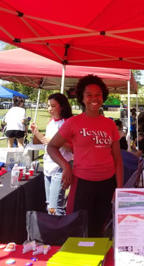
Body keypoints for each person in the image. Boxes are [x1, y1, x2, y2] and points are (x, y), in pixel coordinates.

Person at [47, 75, 123, 237]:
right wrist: (66, 166)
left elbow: (117, 159)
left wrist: (119, 188)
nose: (94, 98)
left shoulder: (110, 124)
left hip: (107, 184)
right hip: (82, 184)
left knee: (98, 229)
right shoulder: (74, 122)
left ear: (103, 97)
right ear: (82, 97)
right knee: (76, 227)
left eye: (98, 94)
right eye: (89, 94)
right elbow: (52, 147)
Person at [30, 93, 73, 215]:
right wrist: (36, 133)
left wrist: (56, 142)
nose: (50, 109)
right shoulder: (51, 122)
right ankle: (55, 231)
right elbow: (47, 143)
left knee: (55, 207)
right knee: (50, 206)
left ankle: (60, 232)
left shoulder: (68, 123)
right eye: (48, 105)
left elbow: (73, 148)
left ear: (62, 107)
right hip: (48, 166)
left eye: (53, 106)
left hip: (61, 167)